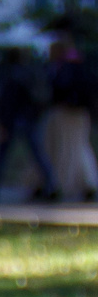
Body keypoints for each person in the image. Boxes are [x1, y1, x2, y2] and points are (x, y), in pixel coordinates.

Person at [0, 47, 56, 203]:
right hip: (29, 119)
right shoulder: (29, 74)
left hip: (14, 121)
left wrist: (3, 123)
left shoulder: (11, 77)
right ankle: (51, 184)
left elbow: (7, 104)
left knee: (2, 156)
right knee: (37, 153)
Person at [47, 27, 96, 202]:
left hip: (68, 112)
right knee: (80, 146)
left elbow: (59, 89)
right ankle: (88, 182)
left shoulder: (65, 67)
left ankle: (63, 184)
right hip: (81, 112)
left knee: (67, 149)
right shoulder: (81, 64)